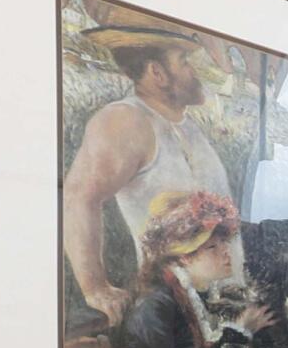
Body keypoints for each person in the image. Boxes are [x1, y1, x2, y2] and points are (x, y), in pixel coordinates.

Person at [60, 22, 242, 324]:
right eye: (184, 61)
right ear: (157, 72)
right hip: (175, 313)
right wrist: (95, 288)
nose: (196, 70)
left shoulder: (186, 124)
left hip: (222, 307)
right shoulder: (125, 120)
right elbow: (78, 198)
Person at [94, 190, 275, 348]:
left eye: (224, 243)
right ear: (183, 256)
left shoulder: (188, 292)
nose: (226, 252)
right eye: (212, 247)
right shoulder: (158, 306)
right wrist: (240, 330)